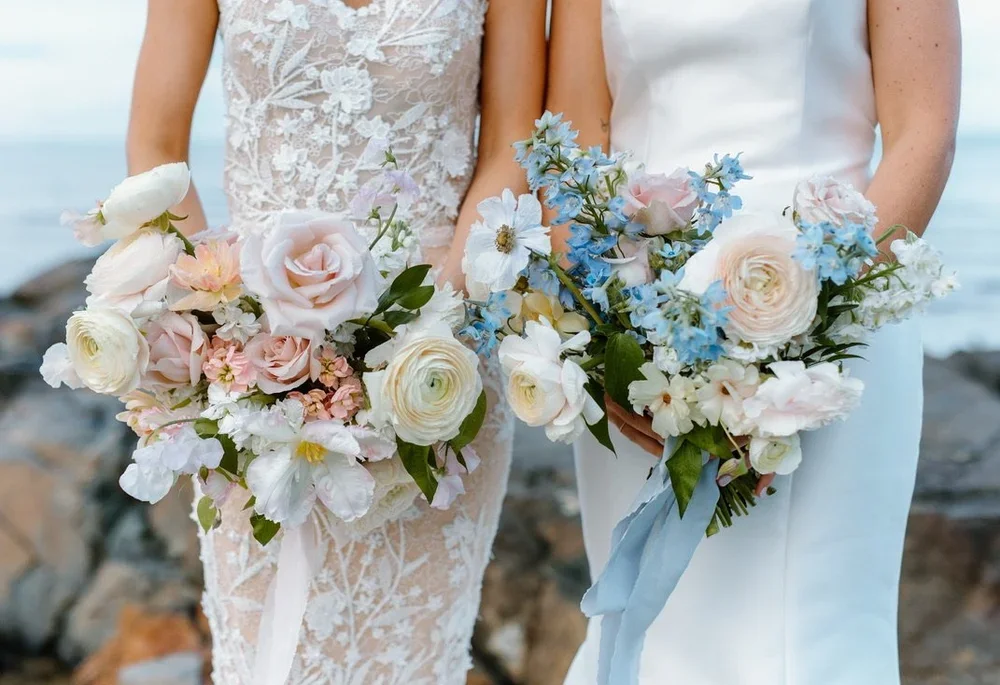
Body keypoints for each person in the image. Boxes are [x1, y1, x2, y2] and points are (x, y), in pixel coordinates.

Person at [126, 0, 545, 682]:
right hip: (254, 372)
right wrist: (220, 319)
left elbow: (512, 144)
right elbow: (154, 147)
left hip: (434, 369)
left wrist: (417, 335)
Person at [546, 0, 960, 682]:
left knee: (810, 642)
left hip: (832, 331)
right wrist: (610, 341)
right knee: (658, 639)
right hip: (644, 343)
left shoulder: (824, 323)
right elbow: (574, 141)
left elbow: (924, 132)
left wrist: (799, 329)